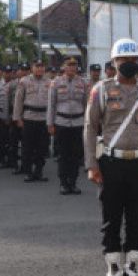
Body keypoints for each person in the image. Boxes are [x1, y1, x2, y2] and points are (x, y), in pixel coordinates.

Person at [85, 39, 138, 276]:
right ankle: (113, 266)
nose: (128, 64)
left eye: (132, 60)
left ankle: (132, 263)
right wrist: (91, 164)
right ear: (114, 61)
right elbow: (89, 128)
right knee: (111, 216)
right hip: (111, 161)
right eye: (123, 60)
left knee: (136, 216)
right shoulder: (101, 89)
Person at [48, 56, 89, 195]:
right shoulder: (56, 82)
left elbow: (86, 104)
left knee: (76, 155)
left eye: (74, 66)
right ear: (64, 67)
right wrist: (50, 123)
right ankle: (63, 183)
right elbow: (51, 104)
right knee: (63, 155)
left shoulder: (83, 83)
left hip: (78, 123)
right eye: (69, 65)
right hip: (61, 122)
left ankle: (73, 182)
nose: (72, 68)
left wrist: (87, 123)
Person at [13, 59, 51, 182]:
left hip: (44, 118)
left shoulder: (50, 82)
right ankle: (28, 172)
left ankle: (39, 171)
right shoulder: (24, 81)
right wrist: (17, 118)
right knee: (27, 147)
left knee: (42, 147)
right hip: (29, 117)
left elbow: (52, 103)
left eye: (42, 66)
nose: (40, 69)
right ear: (32, 68)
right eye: (37, 66)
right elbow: (18, 101)